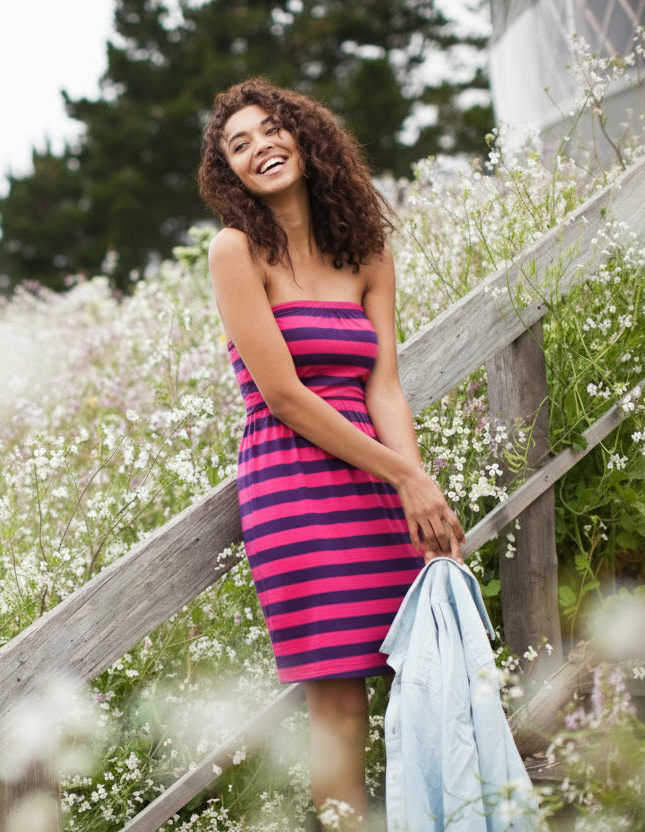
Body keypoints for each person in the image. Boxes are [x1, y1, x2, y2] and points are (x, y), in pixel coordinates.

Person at [196, 78, 466, 829]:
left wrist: (422, 489)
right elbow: (281, 395)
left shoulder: (367, 249)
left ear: (306, 139)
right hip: (294, 485)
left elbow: (385, 386)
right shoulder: (236, 249)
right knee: (341, 702)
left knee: (420, 676)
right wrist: (406, 472)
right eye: (238, 145)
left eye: (271, 130)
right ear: (229, 172)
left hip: (379, 479)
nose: (260, 148)